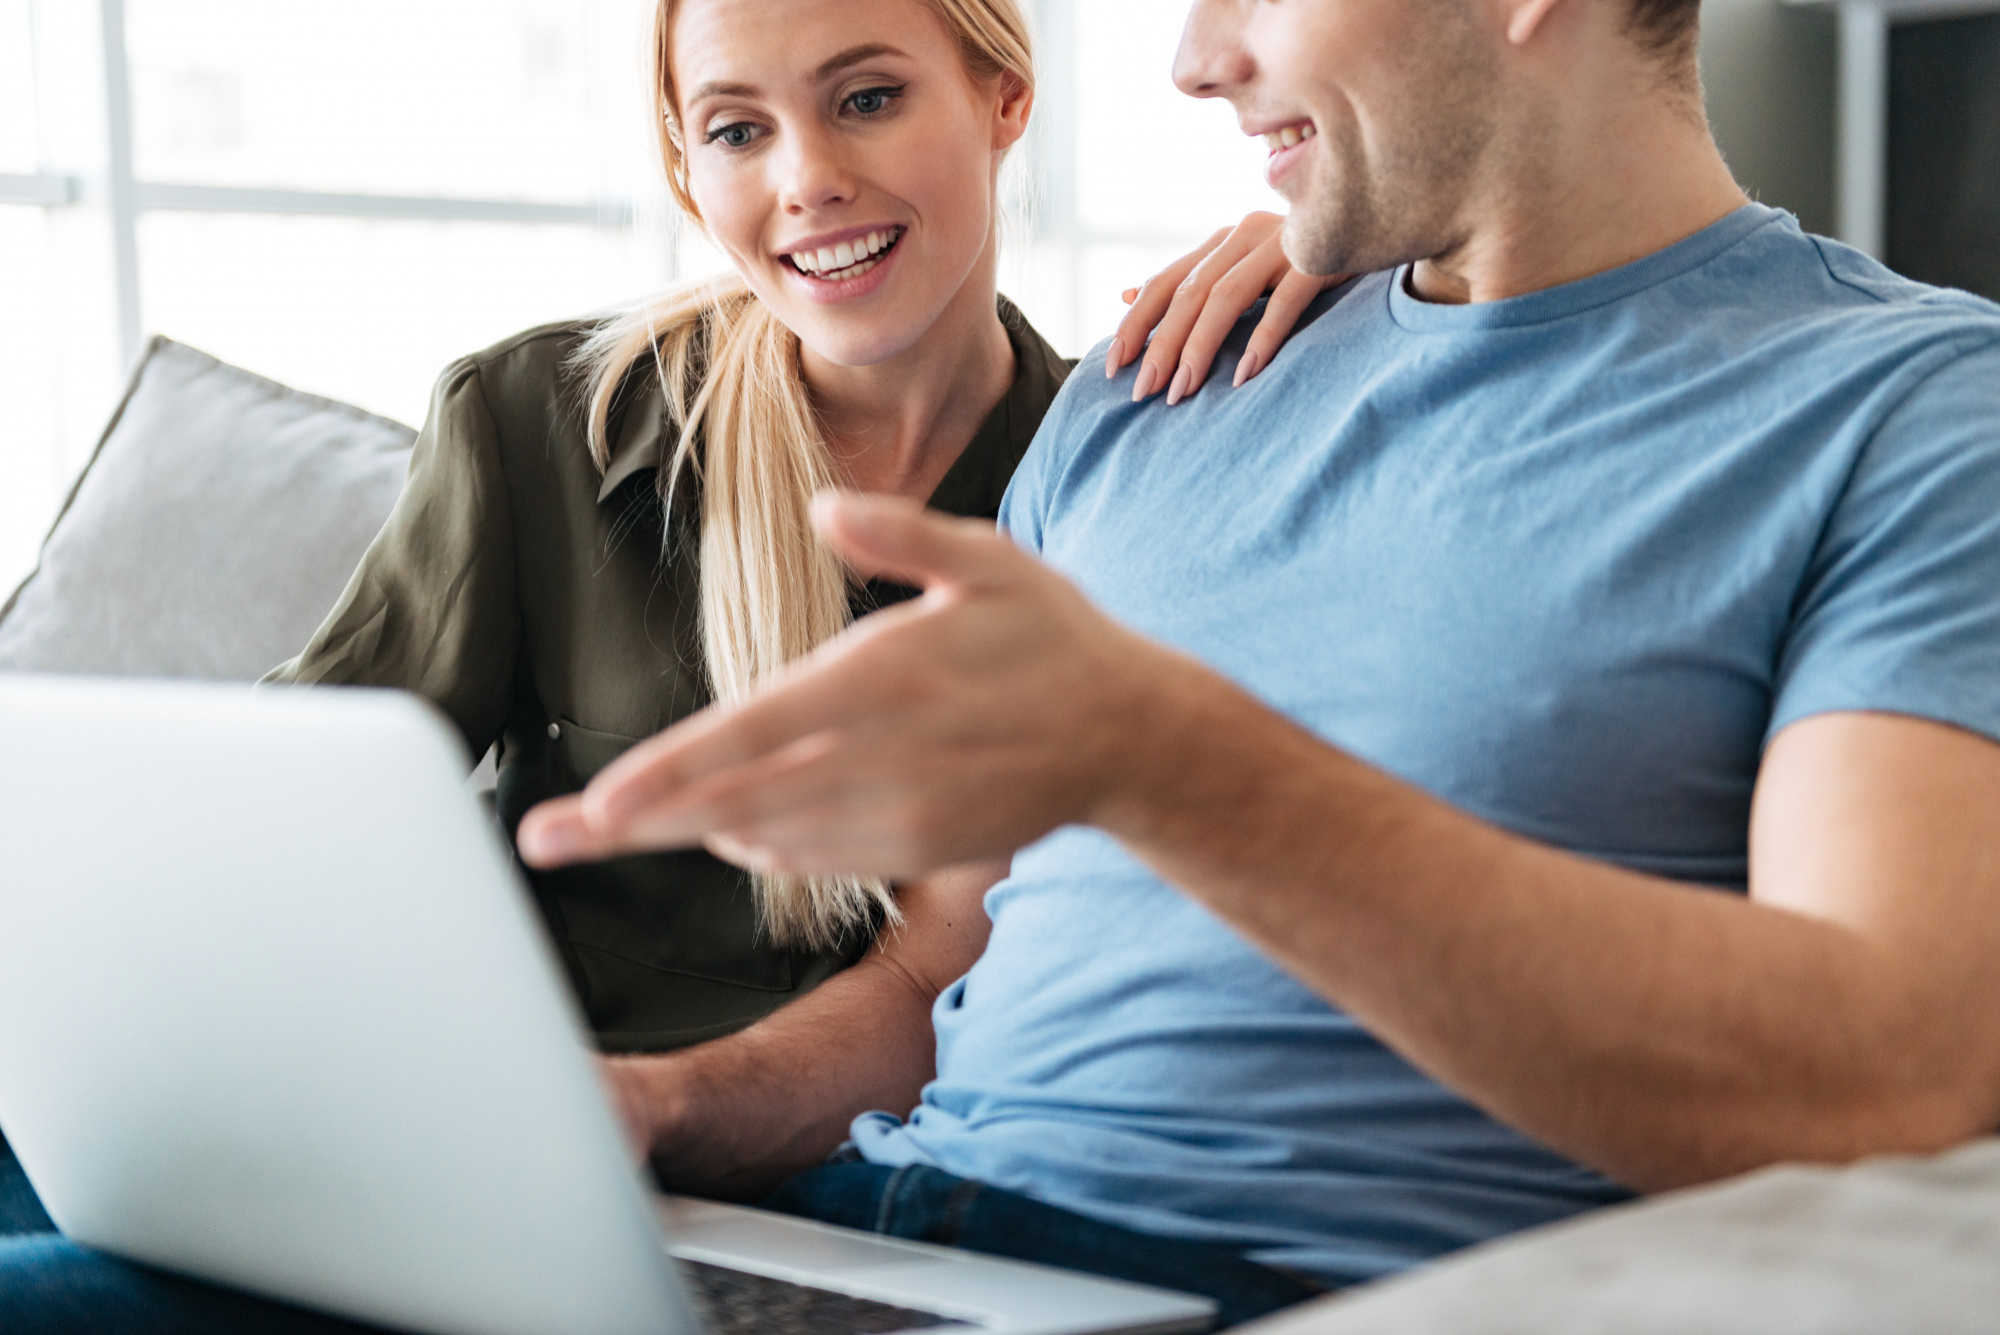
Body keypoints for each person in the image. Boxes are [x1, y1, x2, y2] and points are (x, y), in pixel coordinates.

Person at [510, 0, 2000, 1311]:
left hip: (1268, 1284)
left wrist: (1168, 762)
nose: (1193, 59)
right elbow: (930, 984)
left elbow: (1892, 1073)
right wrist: (659, 1106)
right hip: (874, 1257)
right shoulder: (1162, 389)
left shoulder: (1914, 414)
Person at [0, 0, 1333, 1328]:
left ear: (1003, 99)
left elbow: (954, 982)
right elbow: (263, 818)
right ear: (686, 172)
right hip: (445, 1159)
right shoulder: (538, 427)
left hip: (775, 1216)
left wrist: (1336, 254)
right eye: (737, 129)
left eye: (867, 98)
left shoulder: (1123, 499)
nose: (807, 179)